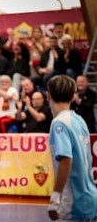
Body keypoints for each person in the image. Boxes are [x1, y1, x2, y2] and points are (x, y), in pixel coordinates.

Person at [46, 75, 97, 221]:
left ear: (48, 95)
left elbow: (66, 160)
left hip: (74, 201)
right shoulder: (79, 120)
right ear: (74, 96)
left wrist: (55, 198)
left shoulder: (59, 123)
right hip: (91, 197)